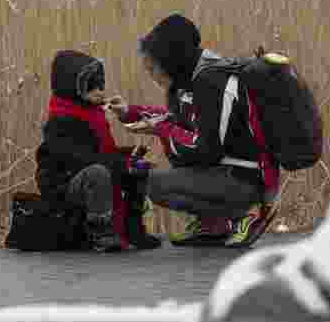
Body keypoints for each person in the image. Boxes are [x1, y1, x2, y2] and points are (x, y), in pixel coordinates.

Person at [108, 14, 280, 248]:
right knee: (154, 176)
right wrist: (130, 112)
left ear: (169, 60)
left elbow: (206, 149)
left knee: (149, 182)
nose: (151, 75)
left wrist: (160, 130)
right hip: (231, 172)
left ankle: (243, 217)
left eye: (152, 68)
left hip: (246, 179)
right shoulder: (194, 76)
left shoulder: (211, 82)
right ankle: (214, 225)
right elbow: (181, 120)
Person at [35, 50, 162, 252]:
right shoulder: (60, 122)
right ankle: (101, 233)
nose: (100, 91)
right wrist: (122, 163)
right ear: (72, 87)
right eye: (91, 86)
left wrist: (129, 157)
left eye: (100, 84)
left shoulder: (92, 113)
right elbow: (81, 160)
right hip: (66, 187)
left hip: (90, 174)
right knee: (99, 173)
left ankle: (133, 230)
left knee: (137, 170)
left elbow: (101, 153)